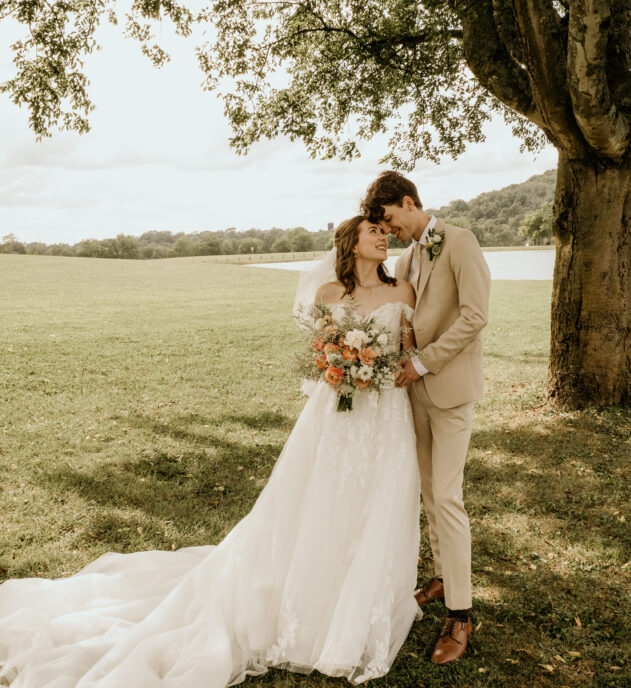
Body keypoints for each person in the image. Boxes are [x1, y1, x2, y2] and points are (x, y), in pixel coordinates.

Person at [0, 217, 421, 687]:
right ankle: (315, 597)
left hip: (384, 415)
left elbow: (405, 353)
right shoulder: (327, 294)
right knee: (323, 500)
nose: (384, 238)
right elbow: (318, 355)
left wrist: (375, 369)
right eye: (374, 233)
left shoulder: (402, 292)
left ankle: (363, 603)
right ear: (352, 243)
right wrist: (339, 365)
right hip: (334, 414)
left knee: (376, 501)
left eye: (386, 233)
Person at [362, 172, 491, 665]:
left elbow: (475, 316)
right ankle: (442, 577)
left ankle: (460, 613)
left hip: (451, 390)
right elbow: (406, 321)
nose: (388, 229)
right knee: (428, 491)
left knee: (447, 496)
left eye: (390, 218)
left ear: (409, 202)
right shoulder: (405, 258)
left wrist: (423, 361)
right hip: (413, 396)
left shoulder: (460, 242)